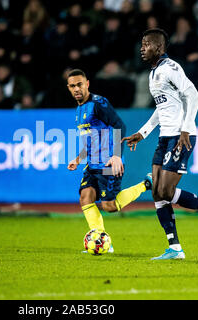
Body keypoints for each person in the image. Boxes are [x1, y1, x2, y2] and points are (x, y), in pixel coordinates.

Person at [121, 29, 198, 260]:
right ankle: (175, 248)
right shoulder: (154, 73)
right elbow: (162, 109)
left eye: (147, 43)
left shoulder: (171, 68)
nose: (142, 48)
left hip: (181, 136)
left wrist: (186, 129)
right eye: (142, 43)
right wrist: (142, 133)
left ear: (159, 48)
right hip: (164, 137)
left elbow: (194, 96)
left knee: (166, 191)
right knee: (158, 194)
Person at [66, 69, 151, 252]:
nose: (76, 89)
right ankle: (101, 240)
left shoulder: (98, 103)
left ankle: (146, 184)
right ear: (69, 88)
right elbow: (91, 139)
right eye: (72, 86)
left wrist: (117, 156)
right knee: (85, 197)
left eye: (79, 84)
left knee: (109, 206)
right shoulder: (79, 109)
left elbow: (120, 125)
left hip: (108, 163)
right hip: (92, 163)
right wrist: (79, 158)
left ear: (87, 84)